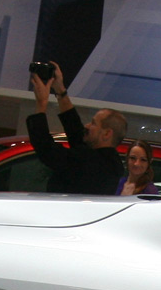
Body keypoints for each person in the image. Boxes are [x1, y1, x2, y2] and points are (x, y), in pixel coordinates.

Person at [26, 62, 125, 195]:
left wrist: (41, 103)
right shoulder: (111, 162)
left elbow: (46, 148)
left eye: (93, 123)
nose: (87, 126)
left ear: (107, 134)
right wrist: (60, 90)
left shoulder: (90, 162)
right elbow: (75, 131)